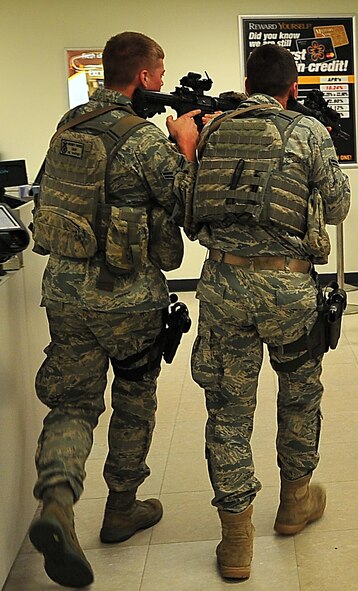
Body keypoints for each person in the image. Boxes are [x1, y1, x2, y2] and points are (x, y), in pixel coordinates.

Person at [27, 31, 200, 588]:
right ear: (147, 76)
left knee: (72, 403)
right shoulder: (143, 139)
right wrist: (186, 144)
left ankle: (56, 499)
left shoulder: (67, 127)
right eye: (161, 70)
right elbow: (187, 203)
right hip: (124, 295)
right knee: (132, 393)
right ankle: (121, 505)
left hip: (65, 289)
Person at [189, 44, 350, 580]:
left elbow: (192, 202)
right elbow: (337, 206)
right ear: (294, 86)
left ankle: (237, 542)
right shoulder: (307, 132)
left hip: (223, 282)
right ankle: (294, 503)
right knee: (299, 395)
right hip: (288, 285)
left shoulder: (213, 130)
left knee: (228, 410)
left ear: (246, 81)